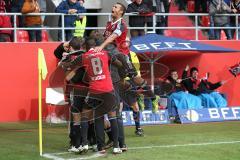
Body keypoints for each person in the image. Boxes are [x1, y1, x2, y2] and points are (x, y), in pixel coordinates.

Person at [61, 37, 123, 154]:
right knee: (112, 117)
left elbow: (67, 68)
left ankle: (94, 146)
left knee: (93, 118)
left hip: (95, 91)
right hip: (108, 89)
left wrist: (63, 61)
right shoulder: (105, 53)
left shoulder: (83, 57)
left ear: (85, 47)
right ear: (96, 46)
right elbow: (119, 63)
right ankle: (116, 146)